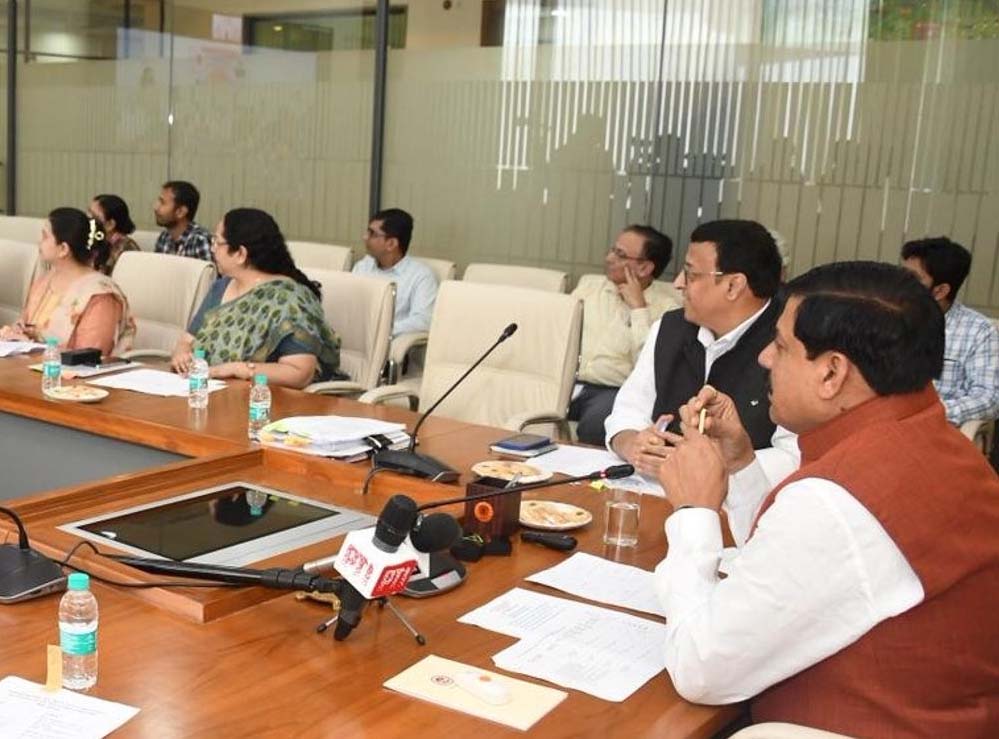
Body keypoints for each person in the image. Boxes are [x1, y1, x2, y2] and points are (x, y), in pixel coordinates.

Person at [656, 261, 999, 738]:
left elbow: (701, 669)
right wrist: (740, 462)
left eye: (780, 346)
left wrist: (694, 511)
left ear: (832, 373)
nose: (764, 360)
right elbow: (797, 565)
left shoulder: (840, 498)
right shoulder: (929, 442)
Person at [605, 219, 784, 477]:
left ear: (733, 285)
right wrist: (633, 443)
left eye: (690, 274)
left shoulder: (789, 344)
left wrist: (714, 465)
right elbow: (628, 409)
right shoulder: (669, 328)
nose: (678, 283)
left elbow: (792, 455)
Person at [170, 208, 342, 389]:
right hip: (206, 391)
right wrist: (182, 354)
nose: (212, 249)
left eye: (217, 242)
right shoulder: (220, 288)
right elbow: (188, 339)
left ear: (240, 254)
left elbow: (299, 373)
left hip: (265, 398)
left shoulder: (289, 299)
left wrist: (236, 369)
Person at [568, 225, 679, 446]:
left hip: (612, 390)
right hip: (568, 382)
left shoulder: (667, 310)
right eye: (612, 250)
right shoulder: (589, 288)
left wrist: (638, 309)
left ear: (644, 267)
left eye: (620, 255)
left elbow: (650, 365)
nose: (608, 258)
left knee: (597, 424)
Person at [0, 208, 135, 356]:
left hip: (65, 370)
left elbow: (88, 357)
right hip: (29, 365)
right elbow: (25, 326)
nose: (39, 242)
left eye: (45, 236)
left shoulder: (100, 296)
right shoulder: (45, 280)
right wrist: (14, 335)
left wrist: (31, 346)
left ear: (63, 249)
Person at [901, 236, 999, 427]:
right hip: (879, 424)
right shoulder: (885, 318)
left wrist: (930, 413)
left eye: (911, 278)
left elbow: (989, 398)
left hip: (934, 429)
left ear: (940, 291)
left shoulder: (979, 332)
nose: (899, 284)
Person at [351, 208, 437, 336]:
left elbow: (423, 320)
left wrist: (381, 330)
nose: (365, 238)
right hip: (353, 336)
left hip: (389, 341)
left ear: (391, 244)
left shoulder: (420, 276)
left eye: (372, 234)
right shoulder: (363, 266)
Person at [153, 180, 213, 261]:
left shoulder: (199, 240)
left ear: (180, 212)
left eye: (162, 203)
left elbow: (209, 269)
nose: (156, 207)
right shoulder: (164, 237)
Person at [88, 194, 141, 275]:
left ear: (110, 225)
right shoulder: (95, 240)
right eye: (88, 212)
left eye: (93, 216)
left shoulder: (126, 248)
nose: (87, 219)